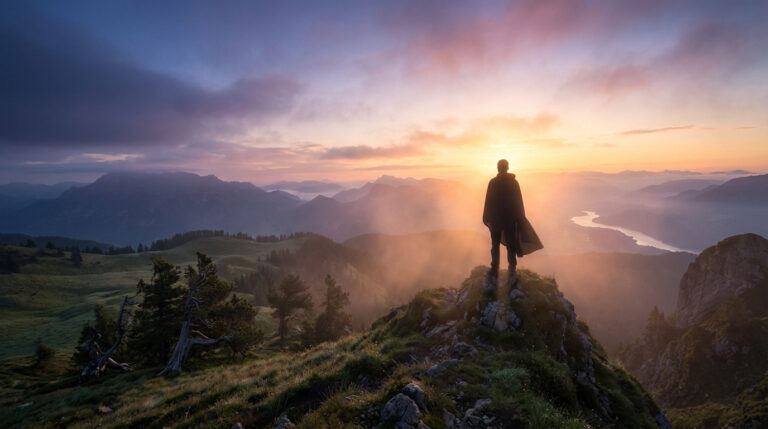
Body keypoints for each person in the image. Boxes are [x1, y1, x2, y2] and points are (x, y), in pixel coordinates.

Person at [482, 159, 530, 289]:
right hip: (509, 220)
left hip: (497, 220)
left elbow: (488, 202)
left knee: (496, 245)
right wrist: (519, 218)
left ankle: (495, 268)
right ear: (507, 168)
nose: (500, 168)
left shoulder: (493, 182)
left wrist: (487, 218)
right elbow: (518, 202)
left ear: (500, 168)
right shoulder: (513, 183)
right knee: (510, 245)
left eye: (500, 166)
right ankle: (512, 268)